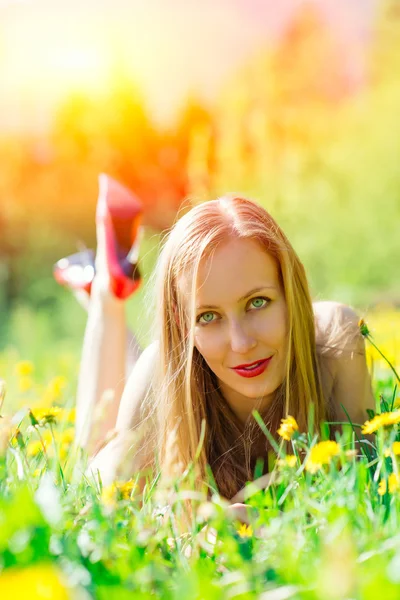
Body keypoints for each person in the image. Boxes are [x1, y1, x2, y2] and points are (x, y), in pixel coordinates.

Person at [58, 179, 374, 501]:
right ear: (182, 327)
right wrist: (193, 531)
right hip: (151, 391)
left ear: (290, 291)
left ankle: (100, 283)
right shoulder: (158, 376)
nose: (241, 343)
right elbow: (108, 518)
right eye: (207, 316)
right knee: (95, 451)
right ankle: (105, 295)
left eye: (257, 302)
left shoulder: (336, 342)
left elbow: (367, 485)